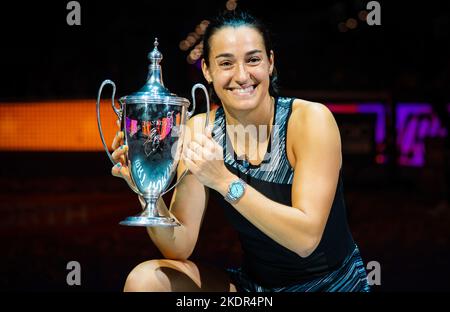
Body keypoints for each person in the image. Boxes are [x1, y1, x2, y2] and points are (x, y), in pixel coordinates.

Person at [111, 9, 370, 292]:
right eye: (226, 63)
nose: (242, 75)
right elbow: (180, 245)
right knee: (146, 281)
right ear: (207, 70)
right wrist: (145, 190)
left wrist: (223, 180)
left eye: (253, 60)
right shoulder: (201, 130)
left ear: (270, 63)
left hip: (332, 286)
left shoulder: (309, 121)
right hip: (255, 292)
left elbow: (305, 240)